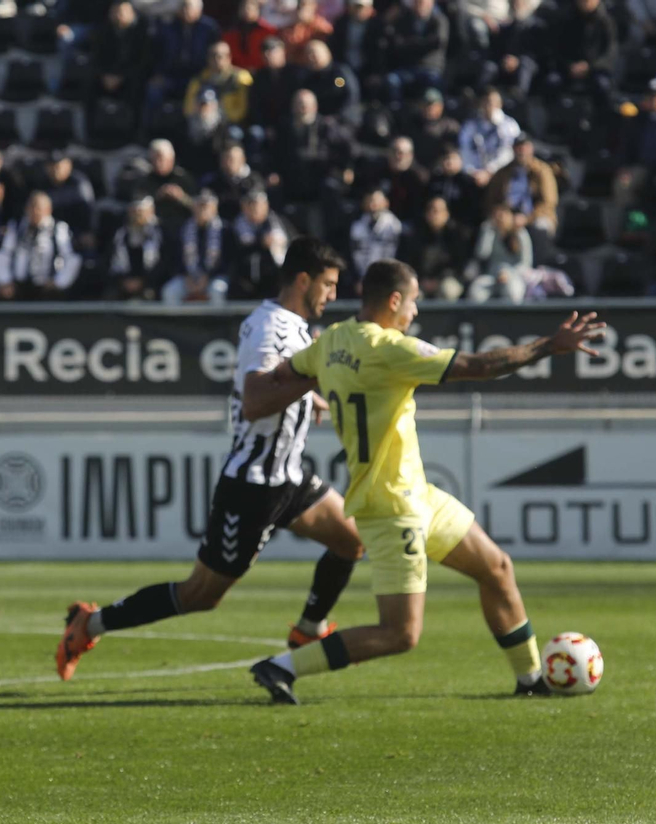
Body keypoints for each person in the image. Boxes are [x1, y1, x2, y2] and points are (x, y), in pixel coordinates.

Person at [241, 259, 605, 704]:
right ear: (394, 301)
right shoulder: (389, 348)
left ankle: (530, 679)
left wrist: (297, 392)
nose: (415, 312)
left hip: (417, 495)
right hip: (392, 508)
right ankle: (282, 667)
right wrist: (549, 345)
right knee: (400, 633)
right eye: (413, 302)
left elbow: (283, 375)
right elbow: (477, 366)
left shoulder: (332, 340)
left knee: (496, 569)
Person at [56, 238, 365, 680]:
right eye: (328, 284)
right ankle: (89, 624)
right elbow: (255, 401)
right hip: (252, 487)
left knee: (351, 541)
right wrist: (315, 377)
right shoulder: (271, 327)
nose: (333, 295)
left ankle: (308, 630)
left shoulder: (292, 326)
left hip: (287, 478)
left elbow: (278, 384)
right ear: (303, 280)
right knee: (199, 595)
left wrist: (307, 397)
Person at [0, 191, 81, 300]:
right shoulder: (16, 227)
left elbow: (72, 258)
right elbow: (3, 254)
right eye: (31, 207)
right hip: (19, 287)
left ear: (48, 210)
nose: (35, 212)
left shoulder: (59, 228)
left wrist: (59, 282)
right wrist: (5, 281)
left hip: (48, 288)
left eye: (38, 208)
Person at [163, 189, 229, 304]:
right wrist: (187, 276)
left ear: (215, 208)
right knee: (170, 291)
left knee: (217, 291)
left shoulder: (225, 230)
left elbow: (229, 260)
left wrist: (208, 276)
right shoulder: (183, 229)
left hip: (215, 276)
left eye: (206, 206)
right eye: (199, 206)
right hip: (188, 277)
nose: (203, 210)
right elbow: (176, 258)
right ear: (193, 208)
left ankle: (217, 318)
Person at [398, 195, 468, 301]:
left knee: (448, 290)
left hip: (447, 279)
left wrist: (438, 280)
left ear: (447, 214)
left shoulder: (456, 235)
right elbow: (410, 262)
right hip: (422, 281)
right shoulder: (416, 235)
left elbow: (458, 265)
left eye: (437, 211)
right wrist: (421, 279)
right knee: (411, 294)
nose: (434, 214)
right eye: (430, 210)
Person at [380, 0, 449, 103]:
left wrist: (411, 44)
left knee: (433, 83)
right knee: (392, 80)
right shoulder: (405, 20)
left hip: (430, 68)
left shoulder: (439, 20)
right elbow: (398, 44)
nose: (420, 6)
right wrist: (423, 44)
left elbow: (438, 42)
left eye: (423, 3)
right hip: (408, 68)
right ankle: (396, 108)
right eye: (417, 2)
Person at [466, 201, 531, 302]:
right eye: (497, 216)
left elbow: (526, 263)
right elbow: (482, 254)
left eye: (504, 215)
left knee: (512, 291)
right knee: (475, 291)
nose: (501, 219)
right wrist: (488, 231)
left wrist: (508, 273)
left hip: (514, 276)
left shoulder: (520, 234)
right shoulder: (489, 232)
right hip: (491, 277)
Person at [457, 88, 520, 184]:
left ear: (500, 104)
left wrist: (489, 171)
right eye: (486, 102)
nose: (489, 106)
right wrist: (473, 171)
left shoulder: (510, 125)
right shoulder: (470, 125)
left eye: (493, 103)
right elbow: (465, 149)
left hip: (501, 174)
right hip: (474, 176)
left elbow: (508, 153)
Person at [183, 41, 253, 125]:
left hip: (232, 122)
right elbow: (188, 109)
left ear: (228, 57)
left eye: (219, 56)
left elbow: (244, 108)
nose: (215, 60)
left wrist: (226, 116)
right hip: (203, 123)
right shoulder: (199, 79)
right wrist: (201, 109)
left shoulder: (241, 77)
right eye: (212, 56)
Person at [349, 187, 402, 276]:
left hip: (389, 275)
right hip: (361, 276)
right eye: (368, 201)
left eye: (375, 202)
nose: (372, 206)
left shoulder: (394, 225)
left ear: (386, 203)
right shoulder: (356, 225)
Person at [223, 0, 278, 70]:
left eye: (249, 8)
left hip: (262, 70)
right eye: (243, 8)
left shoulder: (268, 31)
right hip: (239, 70)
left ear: (257, 10)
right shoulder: (232, 32)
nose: (246, 11)